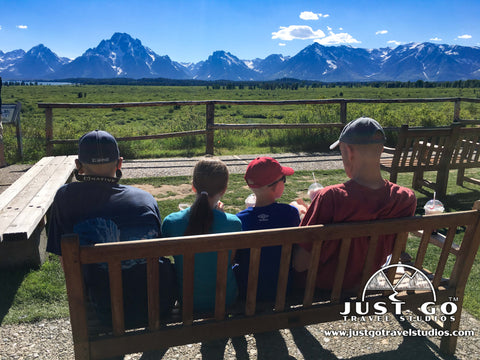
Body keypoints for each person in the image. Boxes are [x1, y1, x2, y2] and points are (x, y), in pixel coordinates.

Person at [47, 130, 176, 328]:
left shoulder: (65, 198)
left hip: (104, 311)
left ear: (78, 166)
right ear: (120, 163)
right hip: (156, 305)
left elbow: (64, 258)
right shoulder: (145, 199)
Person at [293, 117, 417, 290]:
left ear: (349, 152)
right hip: (366, 282)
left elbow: (300, 263)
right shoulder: (405, 198)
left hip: (322, 287)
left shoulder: (330, 197)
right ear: (381, 149)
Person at [161, 158, 241, 313]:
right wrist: (222, 216)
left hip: (188, 300)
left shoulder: (171, 222)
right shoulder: (234, 223)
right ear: (224, 190)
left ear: (193, 187)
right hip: (225, 298)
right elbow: (230, 260)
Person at [235, 157, 300, 301]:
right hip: (283, 289)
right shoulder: (290, 213)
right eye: (284, 179)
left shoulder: (239, 220)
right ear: (275, 185)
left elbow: (236, 258)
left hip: (247, 292)